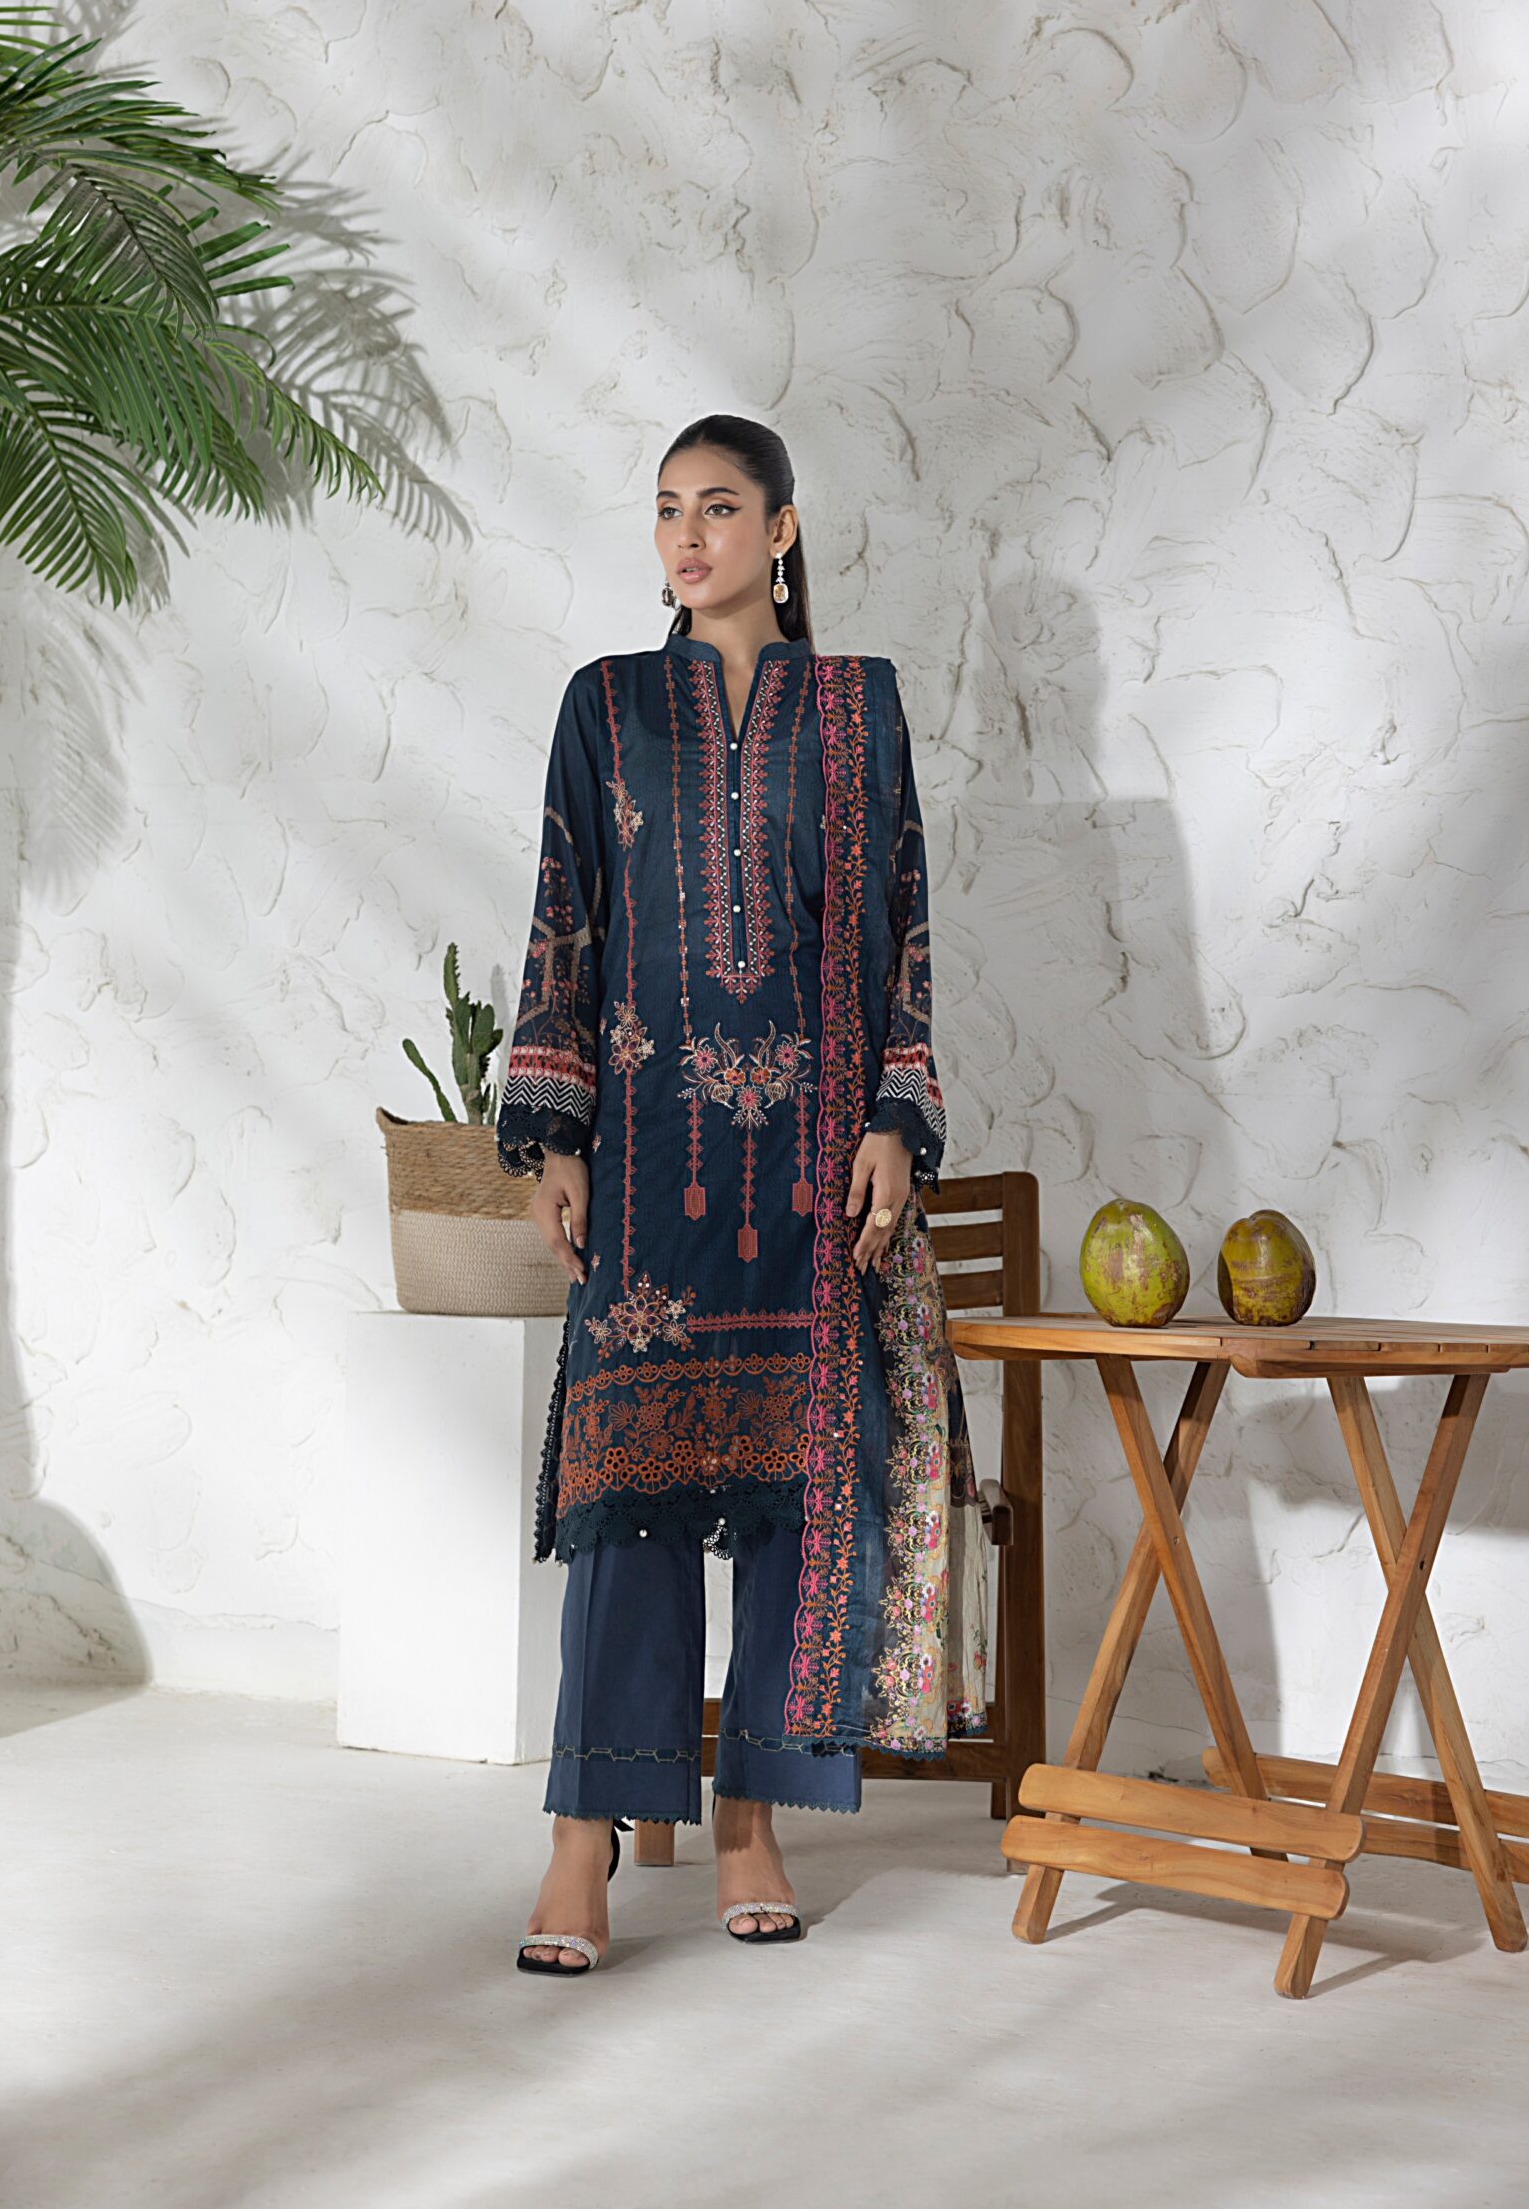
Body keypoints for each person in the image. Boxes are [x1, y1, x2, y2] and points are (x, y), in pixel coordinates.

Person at [498, 415, 987, 1974]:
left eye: (719, 508)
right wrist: (555, 1135)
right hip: (651, 1162)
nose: (689, 537)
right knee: (621, 1492)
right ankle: (584, 1834)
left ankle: (749, 1818)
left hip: (810, 1163)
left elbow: (905, 925)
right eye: (667, 511)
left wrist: (896, 1119)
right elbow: (565, 911)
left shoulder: (858, 711)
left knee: (798, 1490)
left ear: (782, 530)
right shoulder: (604, 704)